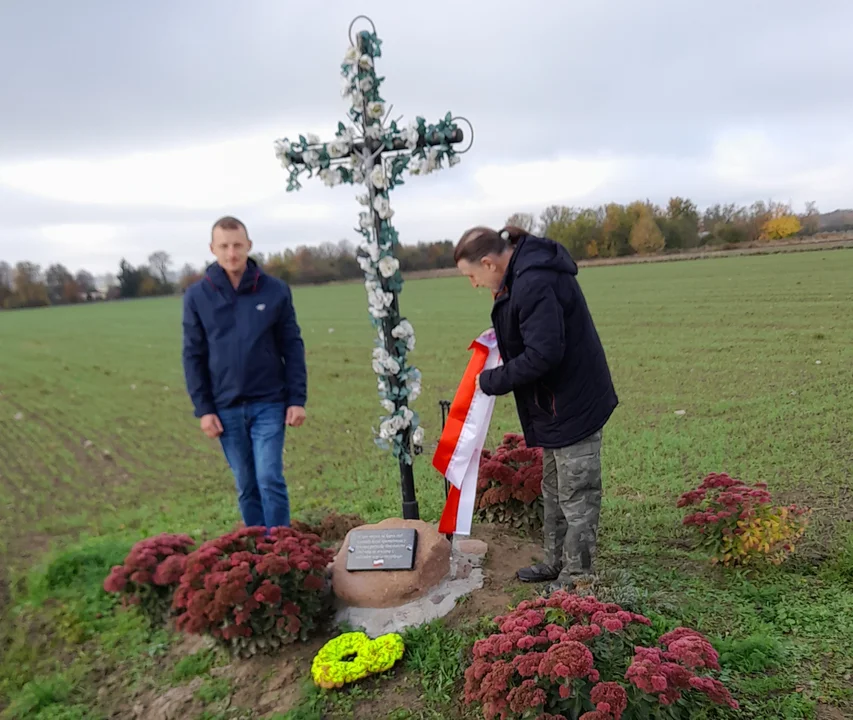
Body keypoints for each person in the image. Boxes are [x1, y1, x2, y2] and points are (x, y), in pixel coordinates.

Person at [454, 224, 618, 592]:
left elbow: (544, 353)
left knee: (577, 495)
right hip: (552, 404)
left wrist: (493, 380)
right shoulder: (519, 276)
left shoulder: (533, 281)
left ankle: (577, 581)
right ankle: (555, 562)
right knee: (554, 487)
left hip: (573, 402)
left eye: (472, 276)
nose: (474, 284)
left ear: (488, 263)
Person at [182, 216, 307, 530]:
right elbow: (193, 355)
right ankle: (256, 551)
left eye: (237, 245)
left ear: (249, 245)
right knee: (247, 484)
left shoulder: (275, 291)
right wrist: (204, 409)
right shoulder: (197, 297)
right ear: (213, 249)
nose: (231, 252)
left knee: (269, 477)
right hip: (225, 408)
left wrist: (296, 399)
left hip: (269, 402)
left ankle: (281, 548)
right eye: (224, 246)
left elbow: (291, 346)